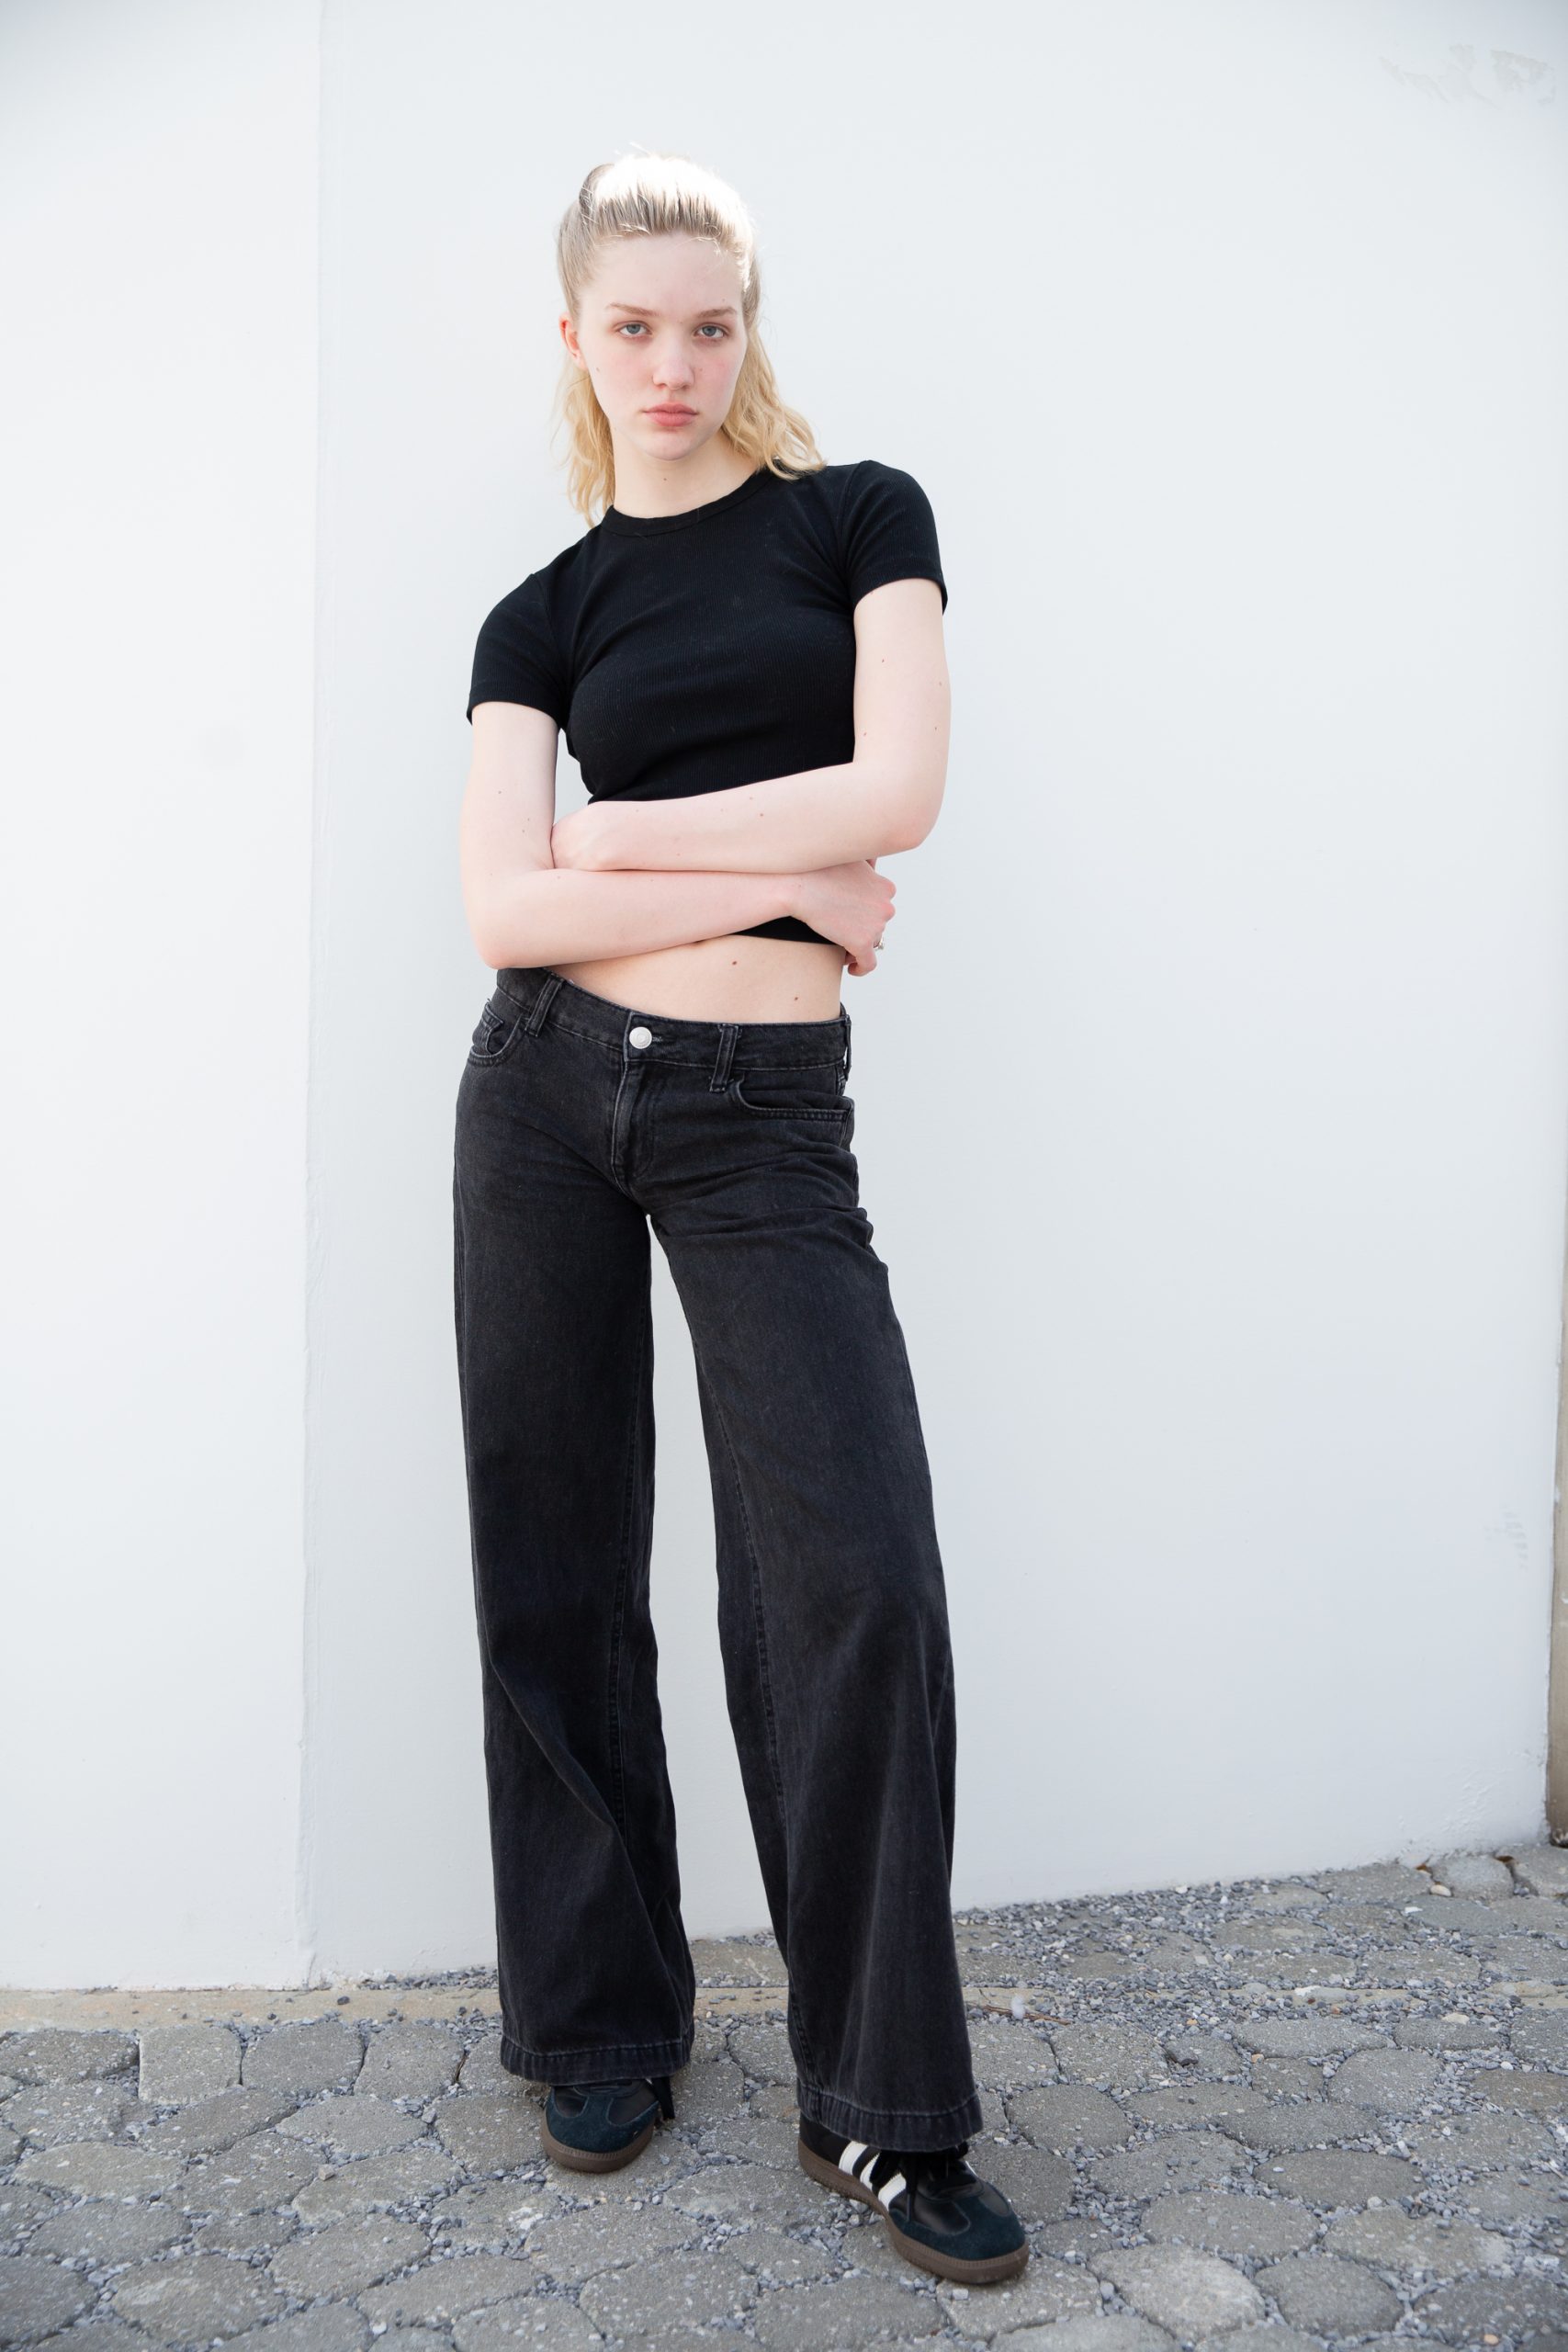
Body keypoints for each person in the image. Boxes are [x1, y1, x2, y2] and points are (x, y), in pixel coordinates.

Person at [452, 151, 1028, 2289]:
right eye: (632, 326)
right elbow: (505, 906)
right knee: (555, 1561)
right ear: (575, 337)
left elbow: (899, 793)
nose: (672, 363)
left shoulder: (858, 517)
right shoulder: (540, 611)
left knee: (849, 1573)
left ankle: (879, 2100)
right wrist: (785, 879)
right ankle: (598, 2021)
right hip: (539, 1094)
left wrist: (627, 837)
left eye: (708, 323)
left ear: (746, 326)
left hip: (758, 1119)